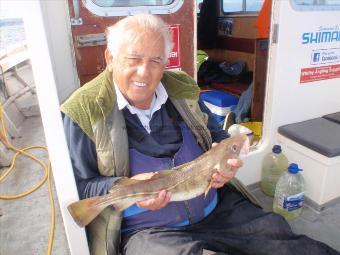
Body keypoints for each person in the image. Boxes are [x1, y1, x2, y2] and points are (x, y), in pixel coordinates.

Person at [61, 14, 339, 255]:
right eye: (133, 59)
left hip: (215, 208)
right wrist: (125, 185)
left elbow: (215, 135)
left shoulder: (181, 89)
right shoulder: (85, 110)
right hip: (148, 230)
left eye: (156, 60)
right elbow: (80, 185)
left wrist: (226, 167)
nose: (144, 72)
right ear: (110, 58)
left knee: (277, 235)